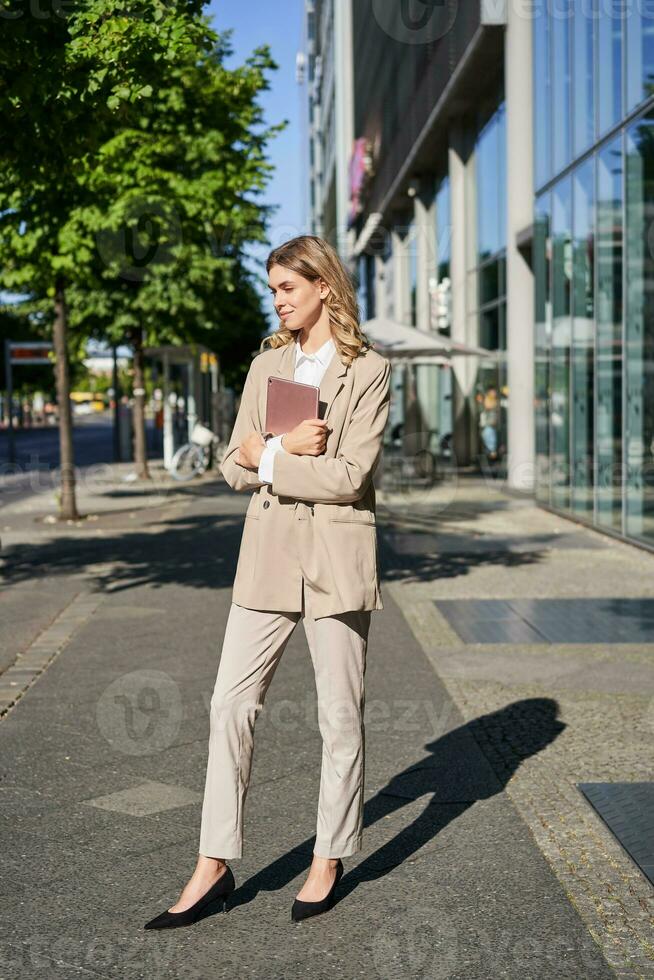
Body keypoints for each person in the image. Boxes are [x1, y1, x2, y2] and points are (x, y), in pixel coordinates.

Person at [144, 235, 392, 929]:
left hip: (336, 562)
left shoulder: (367, 370)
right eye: (274, 288)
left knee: (339, 715)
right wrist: (279, 449)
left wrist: (270, 458)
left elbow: (350, 477)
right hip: (268, 557)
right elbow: (233, 462)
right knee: (229, 704)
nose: (278, 299)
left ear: (323, 287)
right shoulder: (267, 365)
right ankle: (214, 862)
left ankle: (328, 856)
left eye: (288, 287)